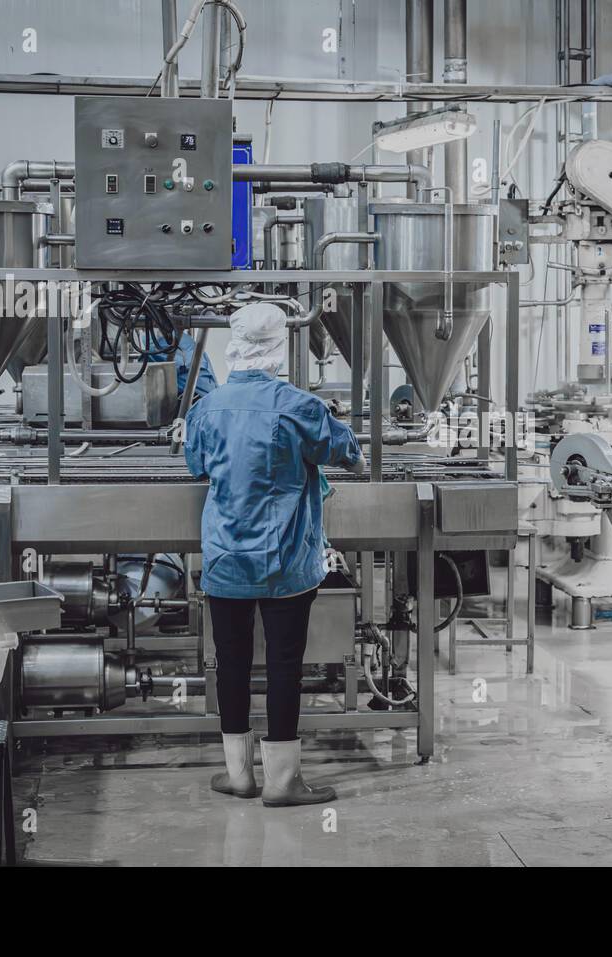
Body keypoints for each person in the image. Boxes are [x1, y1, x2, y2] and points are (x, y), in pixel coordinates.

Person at [184, 301, 363, 806]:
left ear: (234, 346)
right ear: (278, 348)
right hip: (286, 560)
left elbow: (196, 465)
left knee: (231, 663)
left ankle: (238, 774)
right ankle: (283, 782)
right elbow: (347, 451)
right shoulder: (299, 406)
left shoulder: (206, 408)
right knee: (286, 665)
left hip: (225, 560)